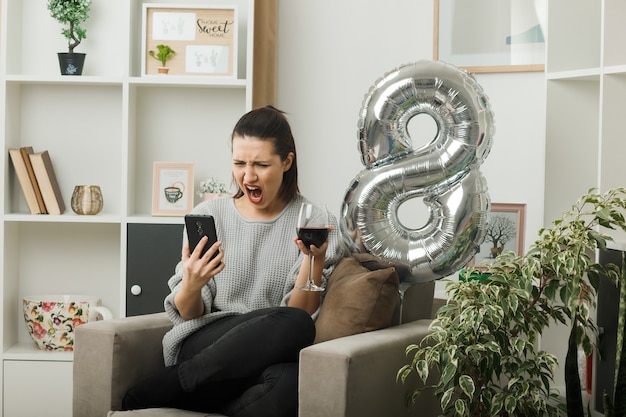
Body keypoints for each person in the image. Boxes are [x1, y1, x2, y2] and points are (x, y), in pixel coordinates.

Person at [122, 106, 346, 417]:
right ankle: (181, 379)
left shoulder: (315, 220)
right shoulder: (209, 216)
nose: (248, 175)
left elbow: (300, 313)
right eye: (239, 163)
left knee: (290, 373)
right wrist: (192, 282)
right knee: (292, 325)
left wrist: (314, 262)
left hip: (263, 358)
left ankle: (186, 392)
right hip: (205, 343)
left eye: (261, 164)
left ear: (287, 162)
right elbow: (189, 315)